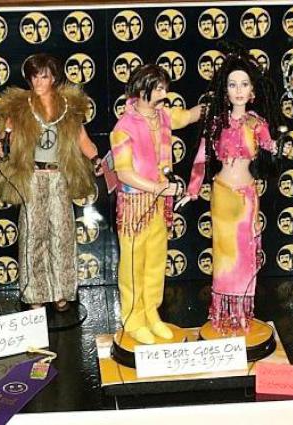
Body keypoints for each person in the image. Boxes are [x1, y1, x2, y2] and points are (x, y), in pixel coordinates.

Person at [177, 48, 286, 333]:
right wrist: (191, 190)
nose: (238, 90)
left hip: (246, 196)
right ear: (225, 90)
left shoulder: (258, 124)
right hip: (222, 195)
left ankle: (242, 314)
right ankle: (223, 314)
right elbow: (201, 158)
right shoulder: (216, 123)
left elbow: (271, 148)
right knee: (224, 256)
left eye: (244, 84)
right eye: (233, 84)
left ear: (252, 91)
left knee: (246, 256)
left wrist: (278, 146)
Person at [0, 53, 102, 312]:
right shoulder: (20, 107)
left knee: (62, 234)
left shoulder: (68, 107)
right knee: (33, 236)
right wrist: (1, 145)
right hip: (32, 177)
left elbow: (82, 139)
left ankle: (61, 292)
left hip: (58, 177)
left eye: (43, 76)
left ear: (53, 77)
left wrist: (96, 158)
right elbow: (5, 137)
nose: (38, 82)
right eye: (34, 77)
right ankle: (35, 294)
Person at [110, 64, 201, 344]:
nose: (164, 94)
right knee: (133, 265)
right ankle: (133, 319)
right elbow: (124, 173)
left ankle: (151, 313)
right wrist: (158, 188)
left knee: (155, 262)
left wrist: (218, 100)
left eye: (165, 88)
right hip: (135, 206)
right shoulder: (123, 128)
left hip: (159, 207)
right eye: (159, 89)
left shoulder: (163, 116)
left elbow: (189, 116)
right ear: (141, 90)